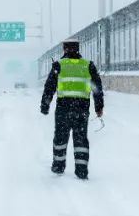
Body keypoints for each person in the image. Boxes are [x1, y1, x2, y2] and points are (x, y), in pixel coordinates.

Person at [40, 39, 104, 180]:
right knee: (80, 139)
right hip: (82, 109)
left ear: (65, 49)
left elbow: (49, 87)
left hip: (63, 108)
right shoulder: (88, 65)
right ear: (78, 48)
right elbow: (97, 89)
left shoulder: (59, 65)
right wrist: (99, 107)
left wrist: (45, 105)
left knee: (60, 138)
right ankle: (81, 170)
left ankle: (58, 166)